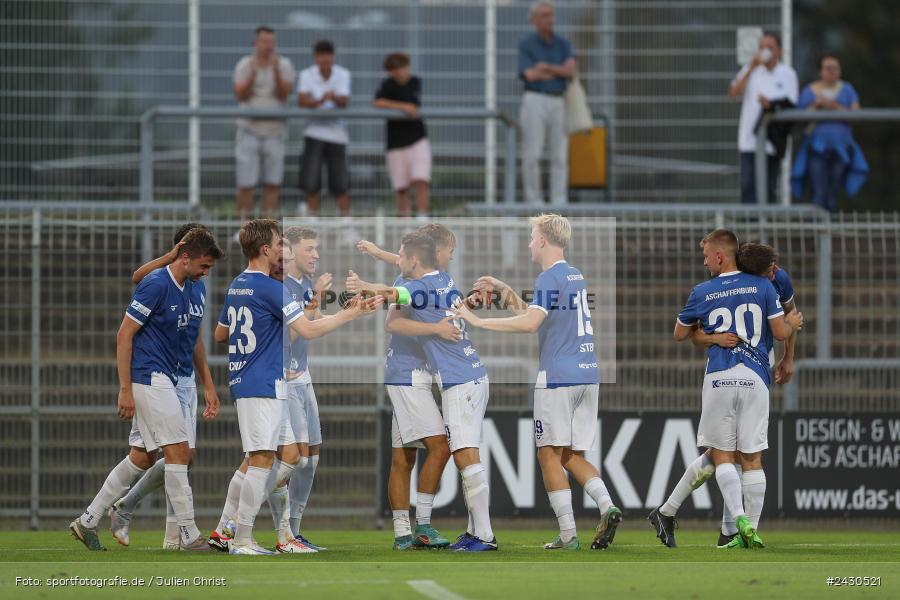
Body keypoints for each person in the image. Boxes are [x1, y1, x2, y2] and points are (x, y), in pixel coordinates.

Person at [212, 219, 381, 555]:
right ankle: (236, 534)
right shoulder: (272, 288)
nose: (281, 251)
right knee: (261, 458)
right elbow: (308, 330)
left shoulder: (238, 284)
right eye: (278, 245)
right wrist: (352, 314)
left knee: (284, 456)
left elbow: (220, 334)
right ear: (265, 249)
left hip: (253, 378)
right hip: (264, 380)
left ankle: (240, 532)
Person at [453, 214, 620, 551]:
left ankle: (569, 535)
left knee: (548, 455)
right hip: (588, 374)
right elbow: (544, 319)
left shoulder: (548, 277)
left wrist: (477, 321)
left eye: (531, 237)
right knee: (571, 455)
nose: (530, 243)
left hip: (558, 377)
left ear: (543, 240)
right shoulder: (574, 275)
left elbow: (531, 324)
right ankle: (607, 506)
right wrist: (508, 293)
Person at [70, 228, 223, 552]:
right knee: (179, 452)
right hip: (150, 376)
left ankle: (88, 519)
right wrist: (125, 389)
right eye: (204, 266)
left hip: (174, 377)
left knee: (143, 457)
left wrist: (207, 383)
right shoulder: (156, 284)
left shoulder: (196, 288)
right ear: (185, 257)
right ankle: (189, 535)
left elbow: (195, 338)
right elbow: (124, 334)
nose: (206, 273)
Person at [649, 229, 803, 551]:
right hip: (756, 375)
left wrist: (712, 338)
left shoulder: (704, 290)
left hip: (719, 376)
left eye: (706, 256)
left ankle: (689, 517)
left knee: (721, 456)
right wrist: (794, 325)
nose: (705, 263)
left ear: (720, 256)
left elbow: (681, 333)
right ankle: (742, 531)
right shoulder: (763, 285)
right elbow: (781, 327)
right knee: (747, 458)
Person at [348, 225, 459, 550]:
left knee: (403, 457)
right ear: (433, 253)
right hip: (408, 375)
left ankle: (401, 534)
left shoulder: (429, 280)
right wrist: (436, 328)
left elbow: (398, 262)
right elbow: (393, 322)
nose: (450, 256)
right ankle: (423, 525)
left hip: (411, 374)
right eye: (448, 249)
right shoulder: (410, 283)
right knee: (440, 447)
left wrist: (374, 251)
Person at [280, 227, 333, 551]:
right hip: (283, 380)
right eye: (310, 249)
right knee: (293, 459)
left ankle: (294, 532)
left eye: (316, 249)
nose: (315, 255)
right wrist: (315, 301)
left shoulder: (302, 285)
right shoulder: (282, 287)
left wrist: (353, 309)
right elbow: (292, 336)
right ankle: (279, 531)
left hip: (303, 376)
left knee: (310, 458)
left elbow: (313, 322)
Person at [233, 26, 296, 222]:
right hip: (248, 130)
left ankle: (266, 228)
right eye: (265, 42)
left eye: (272, 42)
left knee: (272, 183)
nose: (269, 46)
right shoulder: (245, 64)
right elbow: (240, 94)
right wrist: (253, 73)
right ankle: (245, 228)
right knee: (245, 183)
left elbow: (284, 94)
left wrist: (275, 69)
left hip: (275, 131)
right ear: (256, 43)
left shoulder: (284, 65)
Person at [791, 54, 867, 212]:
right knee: (819, 191)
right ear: (820, 71)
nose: (832, 71)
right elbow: (799, 118)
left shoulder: (847, 89)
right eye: (828, 68)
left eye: (836, 68)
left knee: (832, 193)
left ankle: (828, 233)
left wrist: (831, 105)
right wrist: (816, 106)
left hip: (841, 149)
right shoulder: (809, 91)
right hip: (816, 149)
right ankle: (816, 233)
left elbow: (857, 114)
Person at [518, 1, 576, 205]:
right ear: (533, 19)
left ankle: (559, 201)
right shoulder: (527, 44)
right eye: (543, 15)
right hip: (535, 99)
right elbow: (530, 75)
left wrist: (547, 68)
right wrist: (558, 71)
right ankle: (534, 201)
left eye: (551, 15)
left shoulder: (563, 43)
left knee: (560, 154)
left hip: (559, 101)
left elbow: (570, 71)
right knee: (532, 153)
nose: (549, 19)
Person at [729, 33, 798, 204]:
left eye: (770, 47)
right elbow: (733, 93)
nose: (765, 51)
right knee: (747, 186)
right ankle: (748, 228)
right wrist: (751, 67)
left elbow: (791, 106)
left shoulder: (788, 74)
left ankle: (766, 228)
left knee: (768, 187)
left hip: (772, 142)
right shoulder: (750, 69)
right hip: (748, 140)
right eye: (762, 47)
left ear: (779, 51)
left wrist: (771, 106)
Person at [297, 40, 352, 218]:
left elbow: (343, 100)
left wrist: (331, 98)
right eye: (321, 54)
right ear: (315, 57)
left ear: (333, 56)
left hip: (337, 135)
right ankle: (312, 219)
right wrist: (322, 100)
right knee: (311, 181)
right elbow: (302, 100)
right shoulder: (306, 74)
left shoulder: (343, 74)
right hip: (313, 132)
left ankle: (345, 222)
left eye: (328, 54)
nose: (325, 58)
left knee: (340, 182)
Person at [373, 53, 431, 220]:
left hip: (417, 137)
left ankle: (422, 217)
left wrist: (403, 106)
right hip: (396, 142)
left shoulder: (415, 82)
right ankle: (404, 222)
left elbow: (414, 104)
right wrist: (403, 107)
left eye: (402, 68)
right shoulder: (387, 85)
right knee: (401, 186)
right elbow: (377, 102)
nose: (400, 73)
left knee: (421, 179)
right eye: (395, 70)